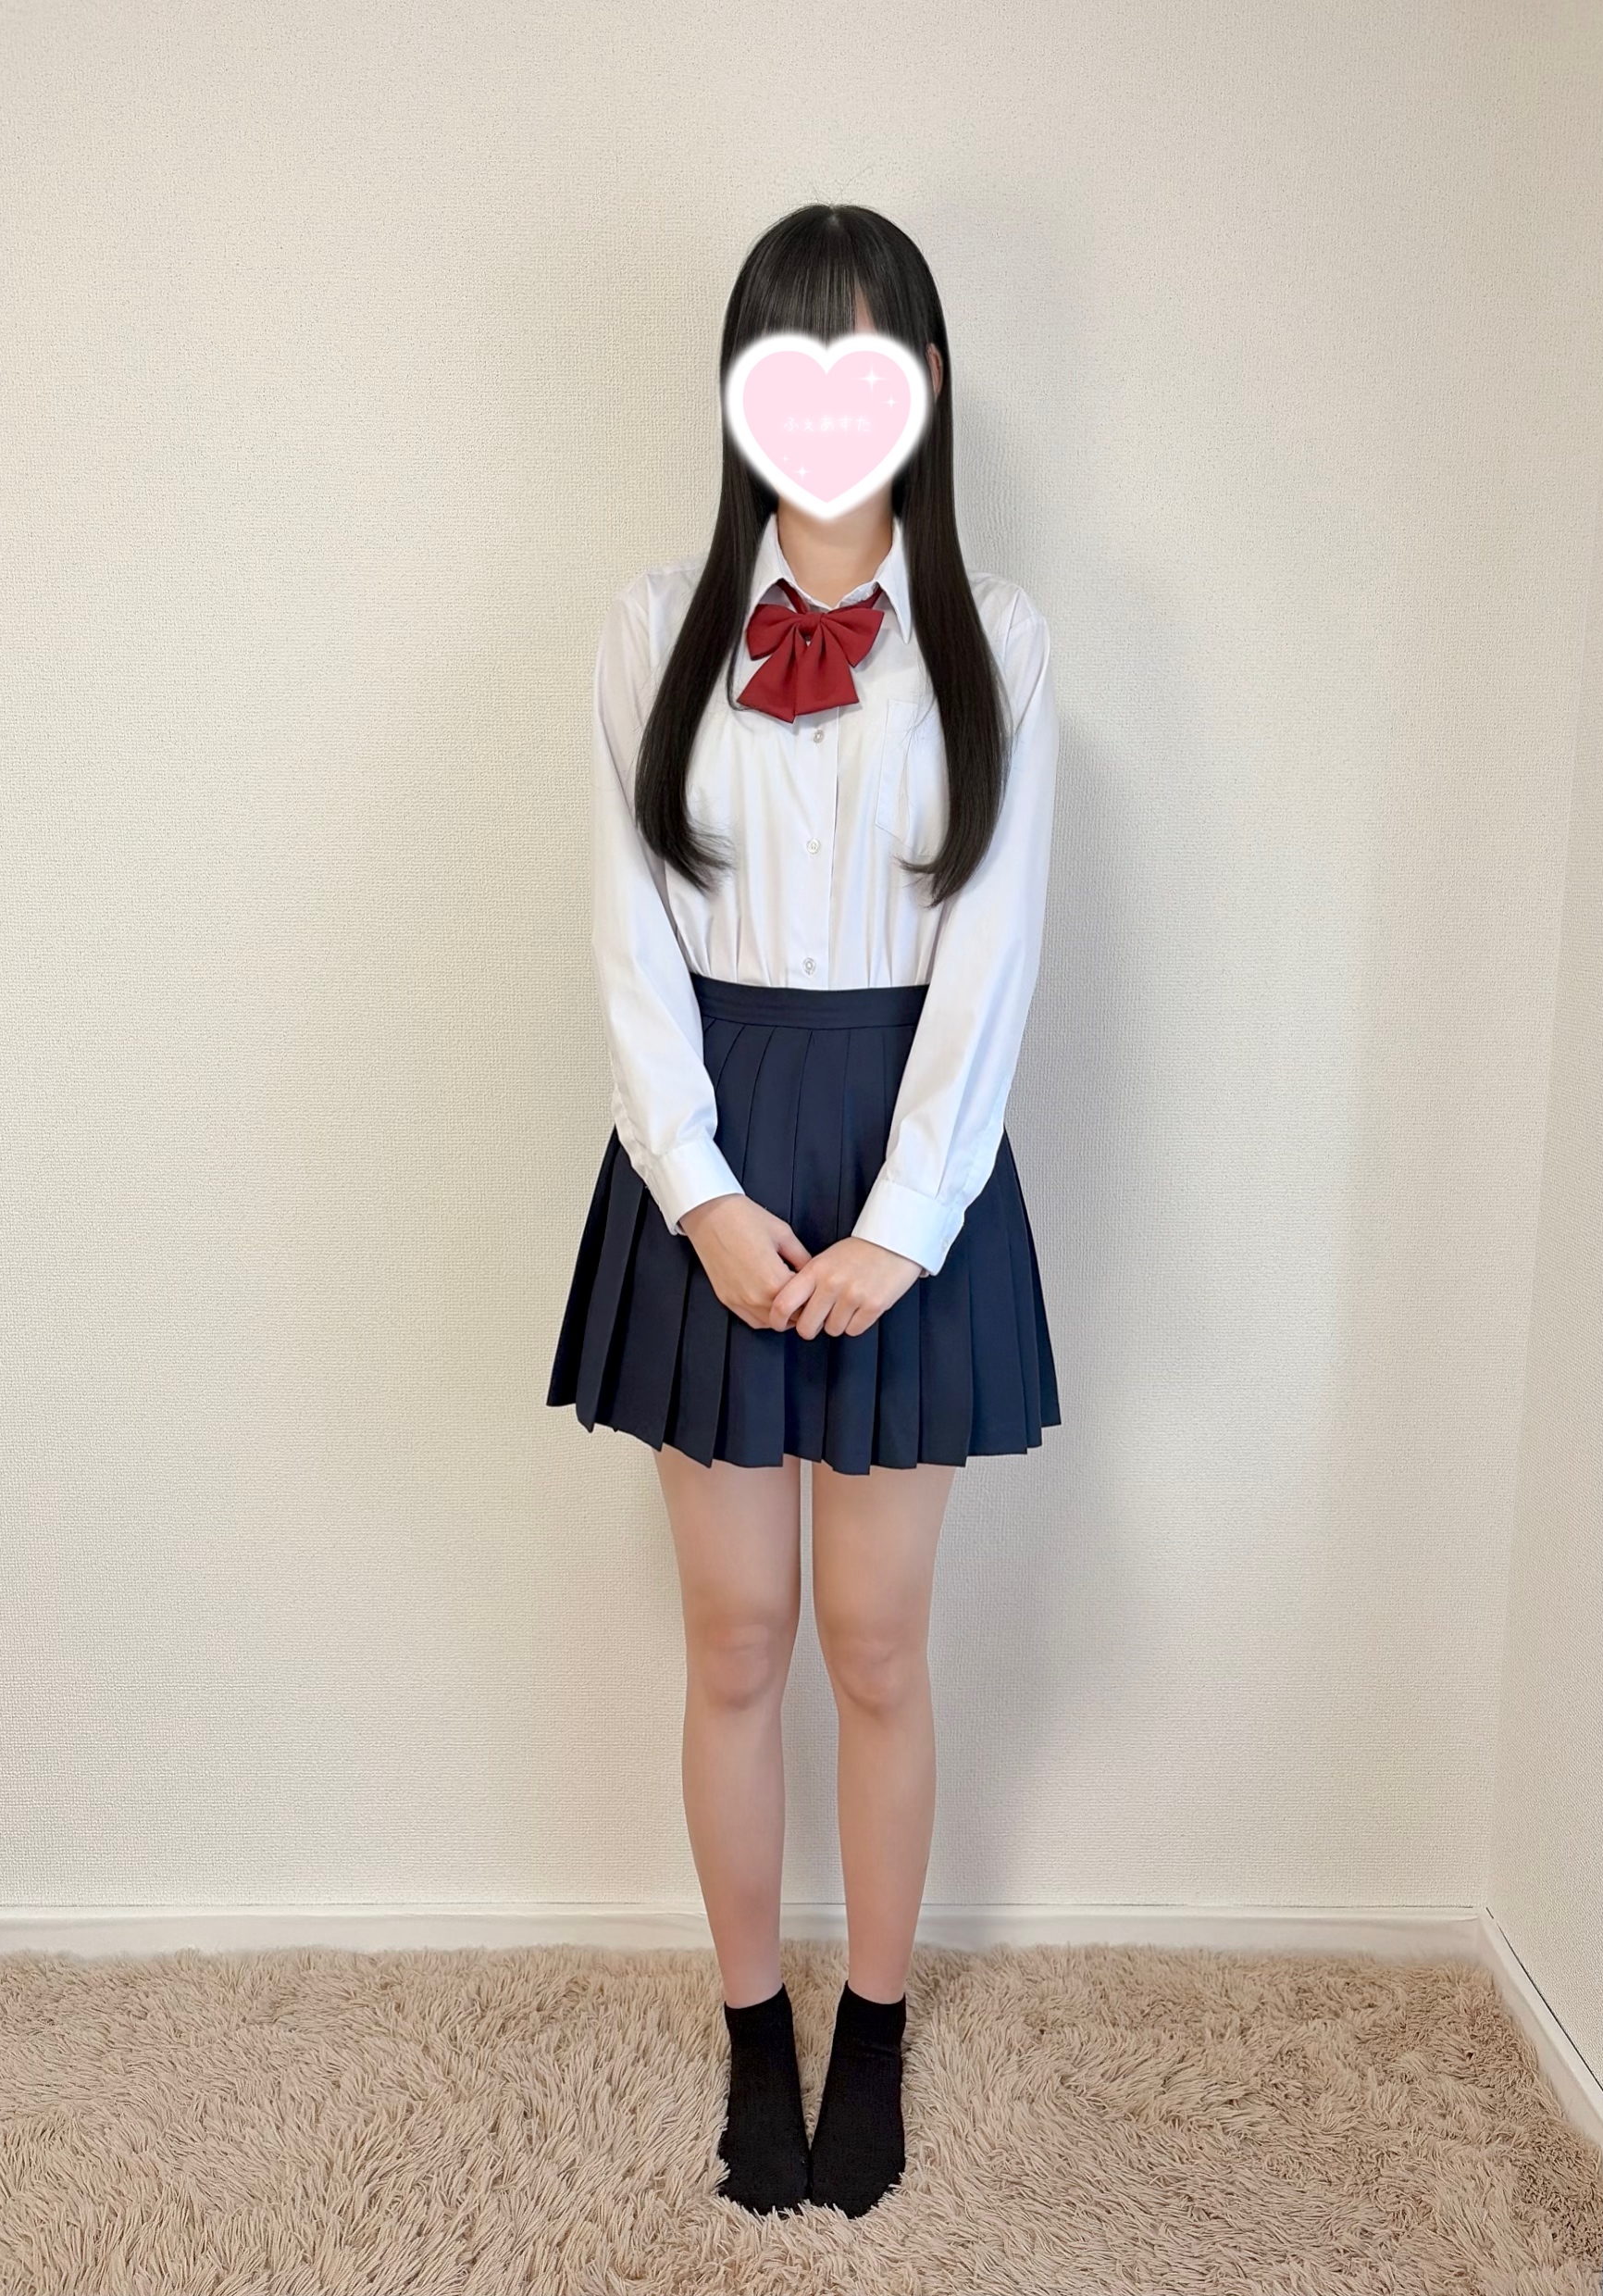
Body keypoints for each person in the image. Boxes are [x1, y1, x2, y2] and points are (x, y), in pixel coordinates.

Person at [547, 203, 1061, 2219]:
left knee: (874, 1638)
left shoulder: (997, 638)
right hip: (714, 1151)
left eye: (870, 362)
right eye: (793, 360)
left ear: (925, 388)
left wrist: (908, 1222)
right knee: (739, 1629)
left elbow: (994, 953)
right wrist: (696, 1190)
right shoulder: (648, 627)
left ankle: (880, 2028)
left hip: (910, 1150)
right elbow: (624, 940)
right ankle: (755, 2028)